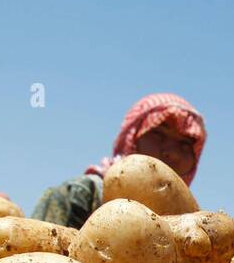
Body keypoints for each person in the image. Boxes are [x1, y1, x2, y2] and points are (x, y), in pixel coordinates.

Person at [32, 92, 206, 229]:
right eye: (158, 135)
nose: (172, 152)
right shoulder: (79, 194)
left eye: (184, 144)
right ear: (132, 141)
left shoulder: (195, 229)